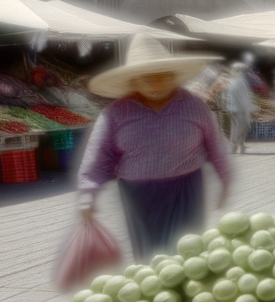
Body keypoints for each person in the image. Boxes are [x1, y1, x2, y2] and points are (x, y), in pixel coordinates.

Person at [78, 36, 230, 260]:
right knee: (150, 258)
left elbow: (216, 146)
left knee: (187, 254)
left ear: (174, 76)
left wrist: (225, 180)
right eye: (148, 79)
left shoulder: (194, 106)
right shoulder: (116, 113)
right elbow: (98, 156)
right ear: (133, 81)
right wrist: (87, 196)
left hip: (186, 189)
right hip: (138, 195)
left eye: (164, 77)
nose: (158, 86)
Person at [223, 62, 254, 154]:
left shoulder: (232, 80)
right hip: (241, 108)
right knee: (241, 127)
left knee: (236, 127)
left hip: (233, 108)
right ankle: (238, 145)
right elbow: (245, 96)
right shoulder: (242, 81)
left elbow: (226, 95)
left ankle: (237, 145)